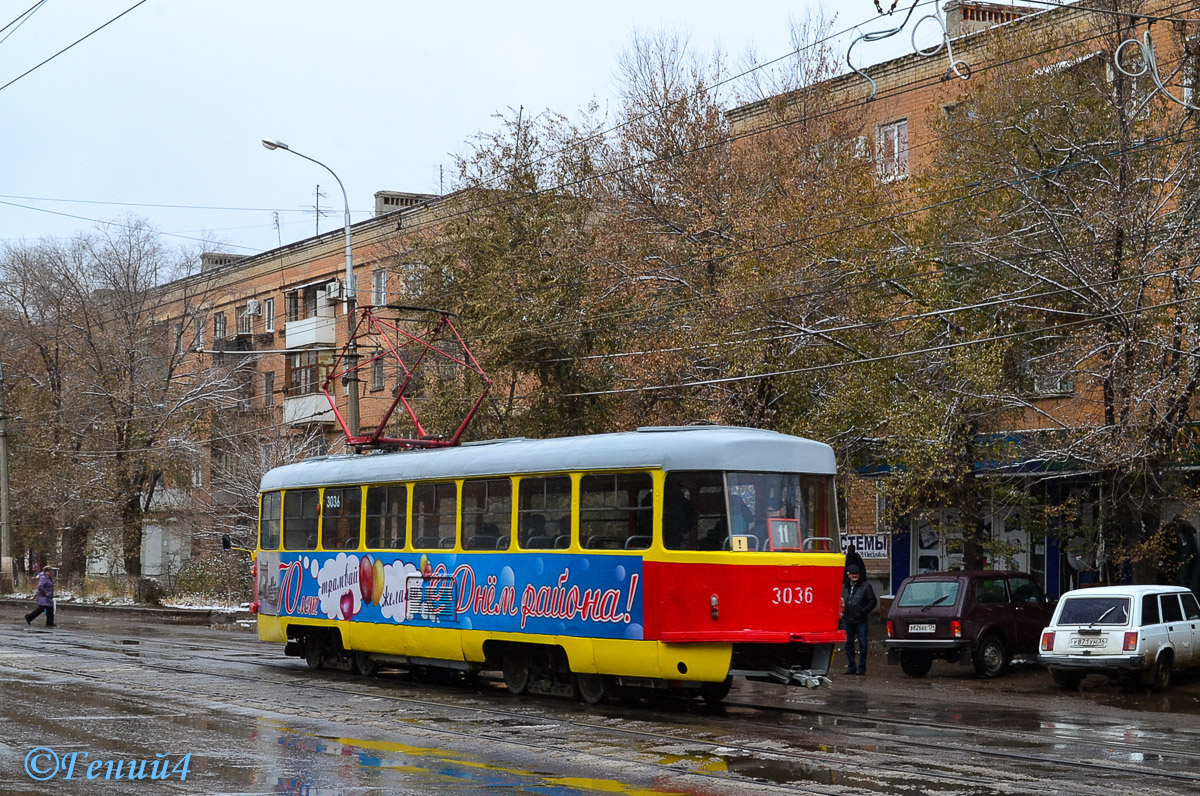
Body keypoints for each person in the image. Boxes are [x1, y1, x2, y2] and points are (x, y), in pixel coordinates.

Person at [841, 562, 876, 675]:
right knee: (848, 644)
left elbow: (873, 601)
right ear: (848, 575)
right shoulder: (844, 587)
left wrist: (863, 611)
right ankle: (851, 666)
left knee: (863, 645)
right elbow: (840, 600)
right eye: (852, 574)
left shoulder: (866, 587)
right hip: (847, 620)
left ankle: (861, 668)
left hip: (860, 620)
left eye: (856, 573)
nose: (855, 575)